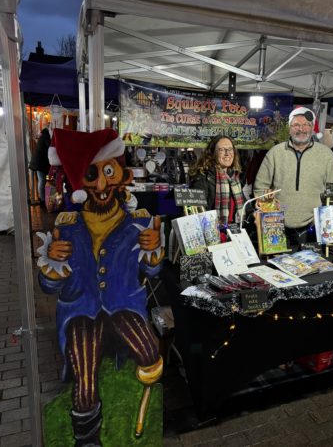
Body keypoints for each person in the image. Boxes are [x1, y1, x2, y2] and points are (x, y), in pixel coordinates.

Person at [36, 128, 164, 443]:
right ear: (80, 179)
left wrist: (154, 248)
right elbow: (48, 288)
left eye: (109, 172)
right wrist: (52, 267)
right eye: (92, 174)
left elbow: (154, 269)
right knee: (85, 378)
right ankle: (88, 438)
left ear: (122, 174)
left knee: (150, 353)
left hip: (125, 304)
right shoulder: (66, 227)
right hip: (81, 309)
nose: (102, 184)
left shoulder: (140, 222)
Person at [254, 107, 333, 249]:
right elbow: (260, 186)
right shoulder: (275, 153)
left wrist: (328, 220)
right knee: (277, 267)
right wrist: (265, 208)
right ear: (289, 129)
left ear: (312, 128)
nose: (301, 129)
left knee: (312, 268)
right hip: (276, 225)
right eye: (296, 125)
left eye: (306, 125)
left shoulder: (326, 155)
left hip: (313, 227)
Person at [189, 134, 245, 224]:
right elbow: (196, 213)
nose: (227, 153)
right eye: (221, 150)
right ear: (212, 153)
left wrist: (258, 208)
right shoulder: (202, 177)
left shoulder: (234, 178)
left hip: (234, 232)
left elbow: (246, 207)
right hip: (212, 233)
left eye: (230, 149)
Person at [29, 127, 51, 204]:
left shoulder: (43, 137)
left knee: (43, 180)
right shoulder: (46, 137)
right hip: (40, 164)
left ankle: (44, 198)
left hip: (40, 164)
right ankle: (42, 200)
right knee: (42, 181)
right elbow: (50, 146)